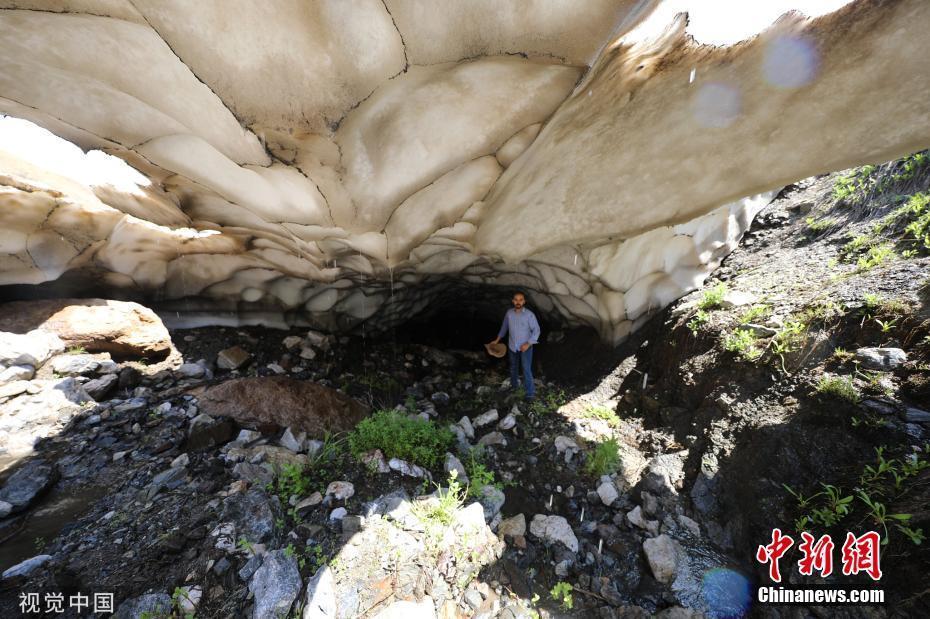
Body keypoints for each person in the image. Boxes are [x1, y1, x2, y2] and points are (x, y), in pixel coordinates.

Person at [489, 291, 541, 400]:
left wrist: (528, 343)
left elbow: (536, 330)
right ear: (513, 301)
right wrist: (496, 340)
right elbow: (504, 328)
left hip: (525, 347)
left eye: (520, 300)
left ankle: (530, 393)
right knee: (513, 367)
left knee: (526, 369)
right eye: (516, 300)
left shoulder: (529, 315)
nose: (518, 302)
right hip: (513, 346)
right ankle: (514, 387)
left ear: (524, 301)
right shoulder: (509, 313)